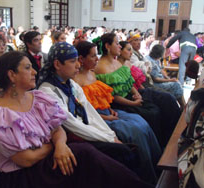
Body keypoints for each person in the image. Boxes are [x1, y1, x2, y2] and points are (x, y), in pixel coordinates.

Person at [0, 51, 153, 188]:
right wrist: (56, 147)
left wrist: (61, 145)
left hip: (45, 160)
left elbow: (57, 129)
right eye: (27, 68)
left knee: (105, 153)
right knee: (85, 155)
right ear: (11, 75)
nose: (35, 72)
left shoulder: (37, 99)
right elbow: (26, 159)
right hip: (23, 176)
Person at [37, 42, 144, 174]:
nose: (78, 65)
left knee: (130, 145)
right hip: (72, 137)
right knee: (123, 151)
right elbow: (72, 124)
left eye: (77, 60)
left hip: (85, 130)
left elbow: (89, 112)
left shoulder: (70, 85)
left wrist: (110, 135)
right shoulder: (47, 91)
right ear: (57, 64)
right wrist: (108, 139)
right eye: (72, 61)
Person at [74, 41, 161, 184]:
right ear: (81, 59)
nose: (97, 59)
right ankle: (146, 176)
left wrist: (110, 109)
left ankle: (156, 163)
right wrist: (106, 116)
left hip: (108, 112)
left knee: (141, 121)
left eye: (97, 55)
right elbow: (83, 111)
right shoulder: (76, 80)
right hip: (97, 118)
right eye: (93, 56)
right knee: (134, 131)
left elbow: (102, 97)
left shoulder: (92, 73)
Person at [94, 33, 164, 147]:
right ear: (107, 46)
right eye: (117, 43)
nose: (120, 46)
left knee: (155, 107)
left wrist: (137, 94)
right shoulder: (101, 67)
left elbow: (128, 82)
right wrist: (133, 103)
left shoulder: (116, 62)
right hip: (120, 103)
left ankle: (160, 143)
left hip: (130, 97)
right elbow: (114, 96)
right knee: (151, 114)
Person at [118, 41, 181, 147]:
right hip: (134, 93)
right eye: (128, 50)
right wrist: (139, 93)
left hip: (142, 88)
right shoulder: (117, 65)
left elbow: (134, 82)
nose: (131, 53)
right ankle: (165, 140)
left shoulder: (129, 62)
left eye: (131, 50)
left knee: (168, 99)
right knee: (155, 110)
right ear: (119, 51)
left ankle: (176, 133)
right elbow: (126, 85)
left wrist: (143, 90)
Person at [146, 44, 185, 110]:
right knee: (176, 85)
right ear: (159, 53)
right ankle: (183, 106)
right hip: (154, 84)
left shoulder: (157, 59)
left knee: (176, 82)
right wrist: (170, 81)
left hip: (160, 80)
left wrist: (168, 78)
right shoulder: (149, 61)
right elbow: (155, 79)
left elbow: (161, 70)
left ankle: (181, 106)